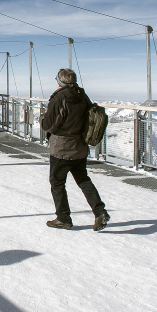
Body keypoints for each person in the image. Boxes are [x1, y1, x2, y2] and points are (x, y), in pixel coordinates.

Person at [40, 68, 109, 231]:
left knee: (57, 183)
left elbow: (49, 125)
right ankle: (100, 212)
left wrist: (43, 117)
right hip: (80, 146)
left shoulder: (59, 98)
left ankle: (63, 218)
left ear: (60, 82)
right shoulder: (82, 95)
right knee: (83, 179)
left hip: (62, 148)